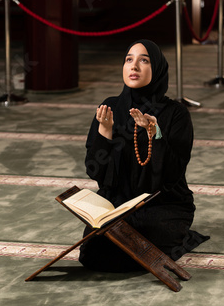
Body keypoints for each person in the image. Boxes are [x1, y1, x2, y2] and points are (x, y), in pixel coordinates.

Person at [79, 39, 209, 272]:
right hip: (118, 204)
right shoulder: (109, 108)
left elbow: (173, 174)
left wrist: (155, 134)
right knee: (93, 251)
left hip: (162, 205)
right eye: (129, 59)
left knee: (141, 240)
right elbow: (96, 172)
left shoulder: (175, 113)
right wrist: (105, 133)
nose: (134, 66)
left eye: (144, 60)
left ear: (157, 68)